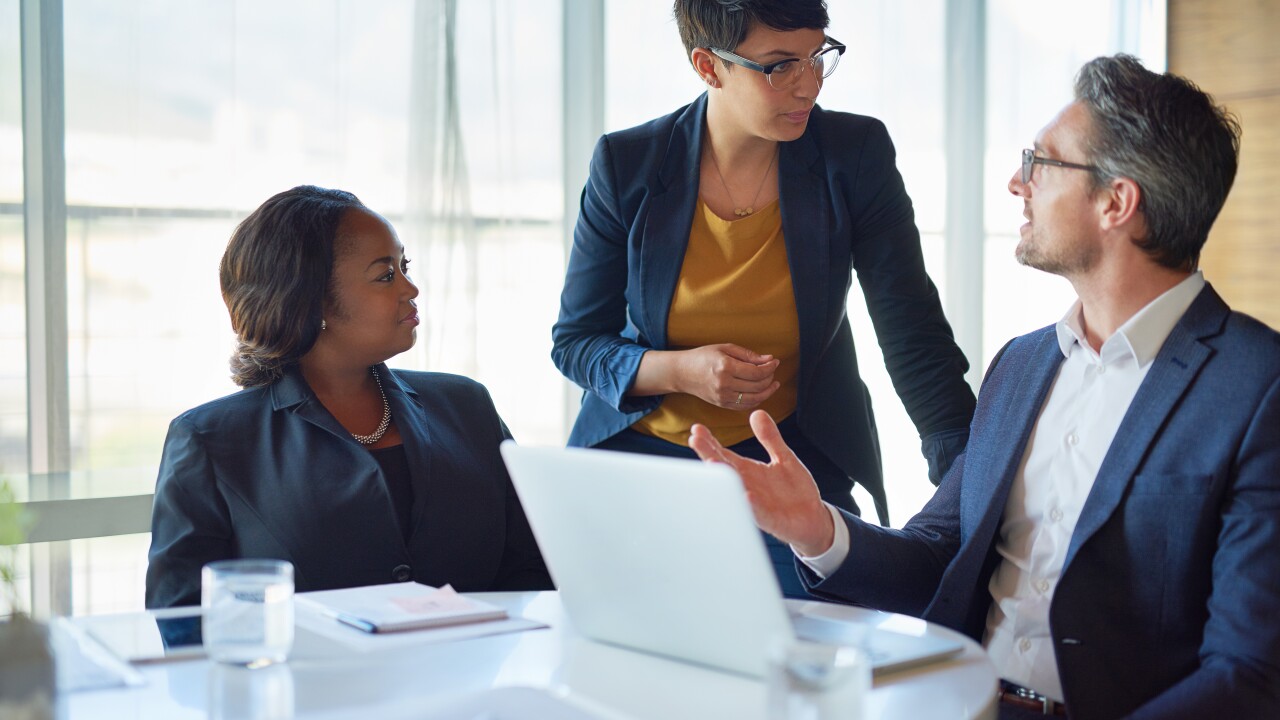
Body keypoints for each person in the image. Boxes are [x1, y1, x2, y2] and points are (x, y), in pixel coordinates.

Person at [692, 54, 1280, 718]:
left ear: (1117, 202)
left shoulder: (1258, 388)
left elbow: (1248, 673)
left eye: (1043, 161)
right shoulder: (1022, 365)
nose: (1015, 182)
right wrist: (816, 530)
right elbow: (937, 556)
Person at [552, 0, 975, 597]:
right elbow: (575, 343)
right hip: (638, 460)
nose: (809, 85)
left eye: (818, 56)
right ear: (708, 65)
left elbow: (913, 333)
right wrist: (681, 370)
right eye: (780, 66)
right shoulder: (628, 164)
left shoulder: (853, 155)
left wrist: (971, 488)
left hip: (786, 456)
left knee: (818, 645)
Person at [145, 186, 552, 609]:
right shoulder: (209, 440)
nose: (410, 289)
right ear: (311, 299)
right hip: (306, 676)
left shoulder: (468, 407)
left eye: (404, 266)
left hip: (475, 671)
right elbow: (184, 621)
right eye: (385, 274)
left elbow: (533, 569)